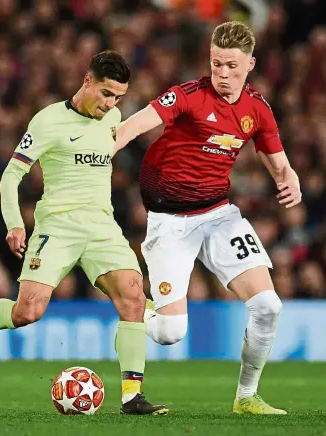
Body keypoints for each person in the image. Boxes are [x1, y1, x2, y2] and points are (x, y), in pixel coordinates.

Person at [0, 50, 168, 416]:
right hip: (58, 226)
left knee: (133, 298)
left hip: (103, 226)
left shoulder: (114, 117)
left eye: (118, 97)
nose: (110, 104)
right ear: (87, 81)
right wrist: (15, 223)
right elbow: (10, 176)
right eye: (105, 93)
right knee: (27, 312)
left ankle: (132, 397)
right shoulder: (48, 120)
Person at [115, 22, 302, 415]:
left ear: (250, 64)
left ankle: (246, 397)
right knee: (169, 333)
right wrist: (98, 153)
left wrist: (291, 181)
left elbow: (279, 163)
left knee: (268, 305)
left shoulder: (258, 110)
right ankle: (135, 307)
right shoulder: (188, 95)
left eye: (232, 66)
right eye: (216, 64)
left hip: (218, 215)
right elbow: (133, 126)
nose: (222, 74)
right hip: (169, 221)